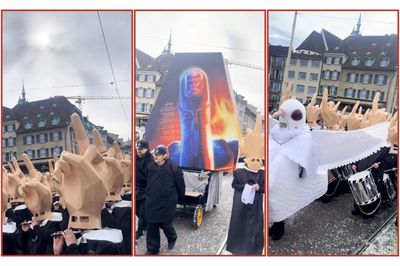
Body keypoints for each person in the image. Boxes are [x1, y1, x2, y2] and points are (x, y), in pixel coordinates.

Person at [226, 114, 264, 254]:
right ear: (247, 159)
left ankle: (252, 251)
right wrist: (246, 187)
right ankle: (237, 248)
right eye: (253, 159)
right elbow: (234, 185)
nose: (256, 162)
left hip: (256, 208)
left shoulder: (262, 173)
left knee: (254, 228)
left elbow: (265, 188)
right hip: (240, 207)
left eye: (258, 159)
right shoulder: (240, 172)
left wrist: (259, 188)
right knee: (239, 226)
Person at [145, 145, 185, 255]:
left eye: (158, 155)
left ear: (165, 156)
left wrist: (181, 199)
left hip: (167, 202)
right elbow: (147, 182)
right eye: (154, 155)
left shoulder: (174, 168)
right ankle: (152, 249)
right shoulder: (150, 166)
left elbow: (180, 185)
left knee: (165, 224)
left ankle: (172, 237)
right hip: (152, 201)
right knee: (151, 225)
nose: (155, 157)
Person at [135, 139, 153, 240]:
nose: (139, 151)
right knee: (136, 210)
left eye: (141, 149)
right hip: (137, 189)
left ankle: (140, 231)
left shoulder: (151, 160)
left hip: (147, 189)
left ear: (146, 149)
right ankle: (145, 224)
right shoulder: (135, 158)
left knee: (142, 212)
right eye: (138, 149)